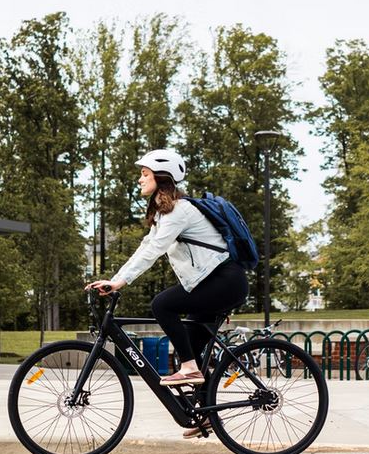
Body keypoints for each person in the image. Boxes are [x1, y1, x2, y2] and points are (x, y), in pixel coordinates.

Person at [86, 148, 249, 396]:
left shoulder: (179, 211)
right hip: (214, 283)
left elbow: (155, 251)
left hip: (225, 281)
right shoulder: (166, 213)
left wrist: (120, 282)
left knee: (162, 305)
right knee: (189, 351)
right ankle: (204, 414)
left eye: (144, 174)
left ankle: (191, 369)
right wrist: (117, 279)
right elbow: (146, 246)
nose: (140, 179)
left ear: (161, 176)